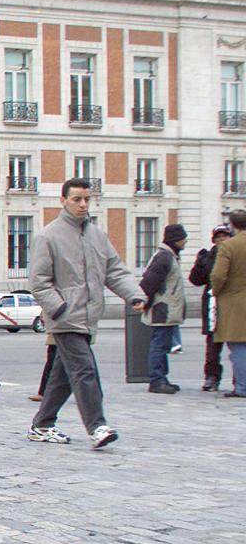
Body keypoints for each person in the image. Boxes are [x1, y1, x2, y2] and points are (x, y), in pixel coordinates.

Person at [28, 178, 145, 449]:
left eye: (86, 199)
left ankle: (42, 424)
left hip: (88, 316)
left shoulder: (96, 236)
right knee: (84, 370)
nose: (82, 204)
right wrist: (59, 308)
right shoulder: (48, 236)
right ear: (63, 200)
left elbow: (114, 271)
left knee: (64, 374)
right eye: (76, 199)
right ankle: (97, 426)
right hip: (66, 317)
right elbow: (39, 282)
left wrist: (135, 295)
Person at [139, 224, 188, 394]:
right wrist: (143, 301)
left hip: (166, 308)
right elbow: (149, 283)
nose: (185, 241)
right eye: (183, 238)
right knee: (159, 345)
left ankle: (161, 378)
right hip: (163, 308)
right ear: (176, 240)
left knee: (163, 344)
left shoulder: (168, 256)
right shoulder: (164, 257)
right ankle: (156, 380)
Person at [190, 224, 231, 391]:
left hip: (231, 302)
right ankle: (211, 377)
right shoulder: (208, 256)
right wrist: (200, 263)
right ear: (213, 239)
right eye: (218, 237)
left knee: (237, 344)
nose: (221, 240)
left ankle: (240, 378)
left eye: (225, 236)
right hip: (212, 304)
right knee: (213, 344)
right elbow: (196, 280)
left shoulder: (236, 254)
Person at [210, 210, 246, 399]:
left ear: (232, 225)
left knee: (239, 346)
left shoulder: (228, 246)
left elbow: (218, 275)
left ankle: (242, 387)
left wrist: (216, 291)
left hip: (234, 301)